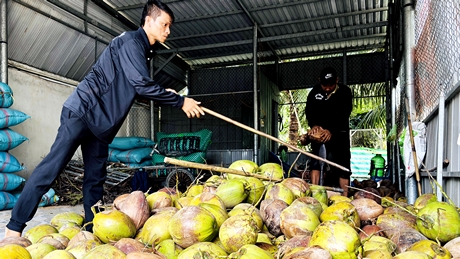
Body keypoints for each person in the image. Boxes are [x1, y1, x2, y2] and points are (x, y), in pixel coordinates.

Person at [4, 0, 204, 238]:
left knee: (95, 179)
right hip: (83, 112)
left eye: (170, 26)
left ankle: (92, 229)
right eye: (165, 24)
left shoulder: (142, 49)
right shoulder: (132, 42)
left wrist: (164, 92)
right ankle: (13, 227)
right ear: (148, 21)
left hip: (101, 124)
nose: (168, 30)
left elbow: (137, 81)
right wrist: (181, 101)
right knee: (51, 168)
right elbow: (140, 84)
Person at [301, 67, 353, 196]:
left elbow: (344, 113)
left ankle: (344, 197)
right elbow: (309, 112)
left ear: (337, 80)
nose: (328, 88)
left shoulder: (345, 92)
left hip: (339, 135)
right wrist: (314, 126)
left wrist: (331, 131)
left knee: (343, 167)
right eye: (325, 85)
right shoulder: (314, 92)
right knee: (316, 163)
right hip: (319, 134)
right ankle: (315, 193)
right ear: (320, 81)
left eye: (331, 85)